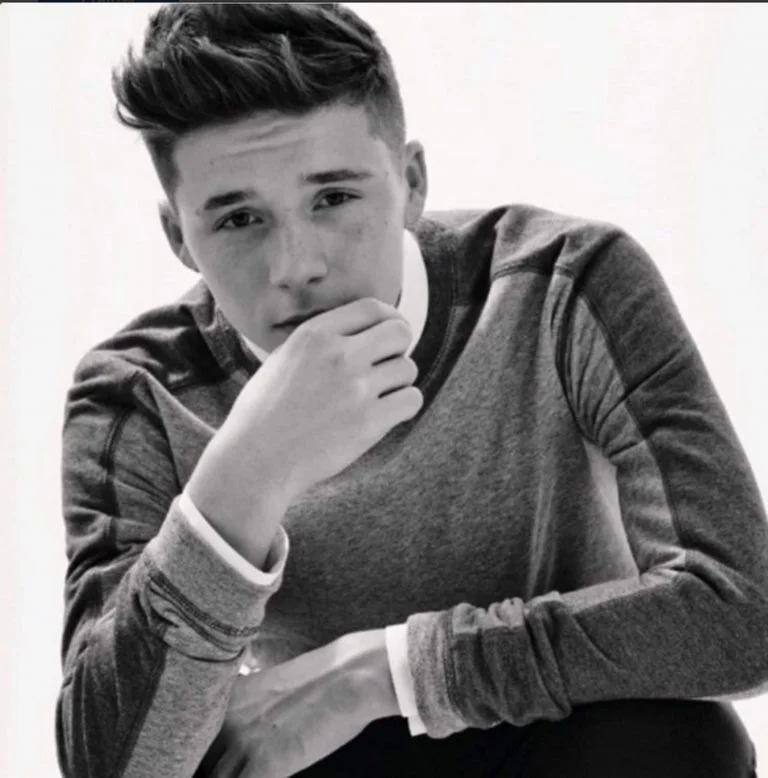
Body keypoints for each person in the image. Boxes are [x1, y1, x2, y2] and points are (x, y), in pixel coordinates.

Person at [55, 4, 766, 777]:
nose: (297, 266)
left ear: (412, 183)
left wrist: (387, 673)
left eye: (334, 197)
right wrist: (247, 473)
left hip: (568, 739)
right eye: (238, 219)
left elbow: (742, 615)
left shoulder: (561, 285)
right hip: (316, 765)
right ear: (178, 238)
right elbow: (113, 766)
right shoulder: (137, 392)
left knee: (682, 740)